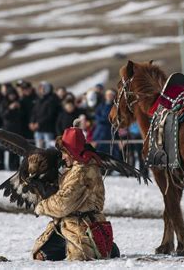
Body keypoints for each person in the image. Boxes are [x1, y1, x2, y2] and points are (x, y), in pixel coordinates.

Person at [33, 127, 119, 261]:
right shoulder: (88, 165)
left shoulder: (80, 172)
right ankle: (107, 248)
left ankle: (98, 248)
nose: (62, 156)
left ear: (72, 152)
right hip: (91, 224)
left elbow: (62, 204)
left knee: (41, 255)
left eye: (64, 152)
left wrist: (41, 206)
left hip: (77, 229)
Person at [30, 82, 61, 148]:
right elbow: (34, 112)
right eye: (40, 88)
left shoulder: (52, 99)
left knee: (48, 149)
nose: (42, 90)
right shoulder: (38, 99)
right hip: (38, 130)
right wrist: (32, 122)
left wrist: (39, 123)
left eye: (44, 88)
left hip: (48, 129)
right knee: (38, 150)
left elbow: (50, 115)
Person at [0, 87, 24, 170]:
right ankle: (10, 165)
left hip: (17, 128)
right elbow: (3, 115)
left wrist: (19, 108)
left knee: (17, 147)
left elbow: (22, 116)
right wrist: (10, 108)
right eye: (10, 95)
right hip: (8, 128)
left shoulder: (19, 102)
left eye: (13, 95)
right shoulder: (4, 103)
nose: (12, 97)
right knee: (10, 148)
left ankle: (16, 165)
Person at [92, 89, 119, 158]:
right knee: (99, 153)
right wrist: (105, 120)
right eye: (107, 95)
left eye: (111, 95)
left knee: (111, 153)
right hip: (99, 132)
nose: (109, 96)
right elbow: (97, 116)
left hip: (110, 132)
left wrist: (106, 120)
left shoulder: (115, 106)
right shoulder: (101, 105)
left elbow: (114, 118)